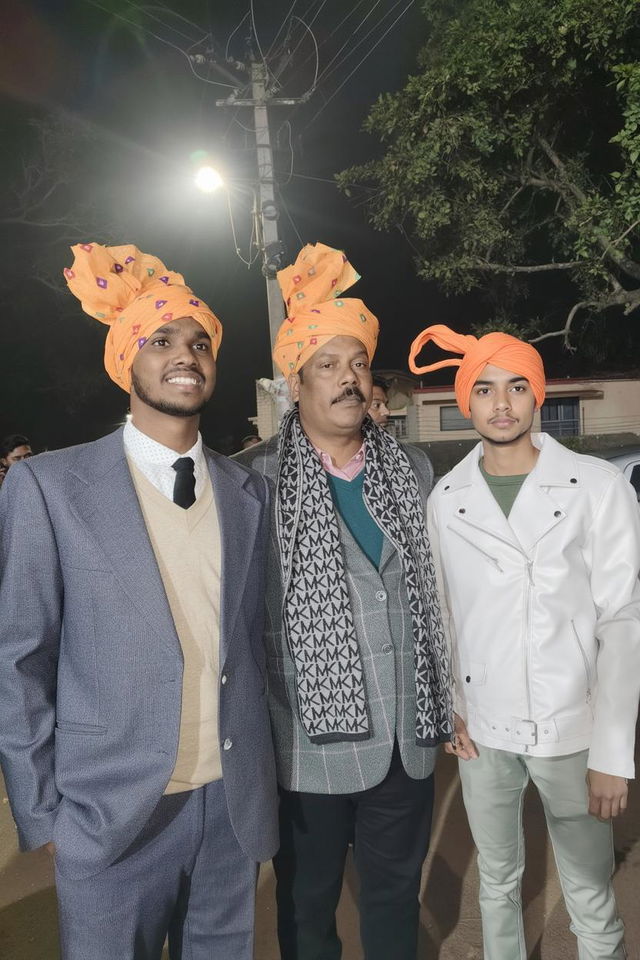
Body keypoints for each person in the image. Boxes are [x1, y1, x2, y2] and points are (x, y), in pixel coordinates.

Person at [0, 242, 278, 960]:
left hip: (229, 807)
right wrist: (45, 813)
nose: (185, 354)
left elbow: (254, 643)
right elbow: (21, 657)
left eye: (200, 342)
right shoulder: (49, 489)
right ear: (127, 358)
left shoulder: (249, 493)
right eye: (161, 340)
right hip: (111, 813)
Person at [236, 243, 452, 960]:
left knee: (394, 897)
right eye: (326, 365)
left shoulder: (413, 469)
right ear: (293, 384)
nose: (348, 379)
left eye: (357, 362)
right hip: (306, 748)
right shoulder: (256, 484)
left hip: (406, 739)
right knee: (307, 907)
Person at [410, 323, 640, 959]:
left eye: (516, 386)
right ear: (466, 401)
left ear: (537, 395)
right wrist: (451, 704)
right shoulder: (446, 498)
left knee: (589, 885)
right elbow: (446, 614)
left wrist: (613, 752)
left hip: (574, 727)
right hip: (484, 728)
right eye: (484, 389)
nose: (501, 403)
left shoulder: (597, 486)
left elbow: (623, 617)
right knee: (497, 879)